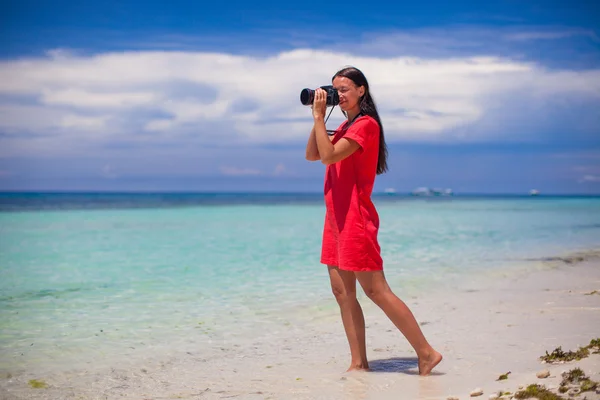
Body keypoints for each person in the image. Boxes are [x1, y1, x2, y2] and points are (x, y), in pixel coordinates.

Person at [304, 66, 442, 376]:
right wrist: (320, 117)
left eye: (344, 89)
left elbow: (328, 157)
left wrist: (317, 119)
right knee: (342, 293)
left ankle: (426, 352)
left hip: (355, 219)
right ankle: (358, 363)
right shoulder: (342, 127)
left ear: (361, 91)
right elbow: (313, 154)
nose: (338, 95)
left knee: (376, 291)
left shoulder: (365, 125)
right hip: (335, 221)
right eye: (334, 90)